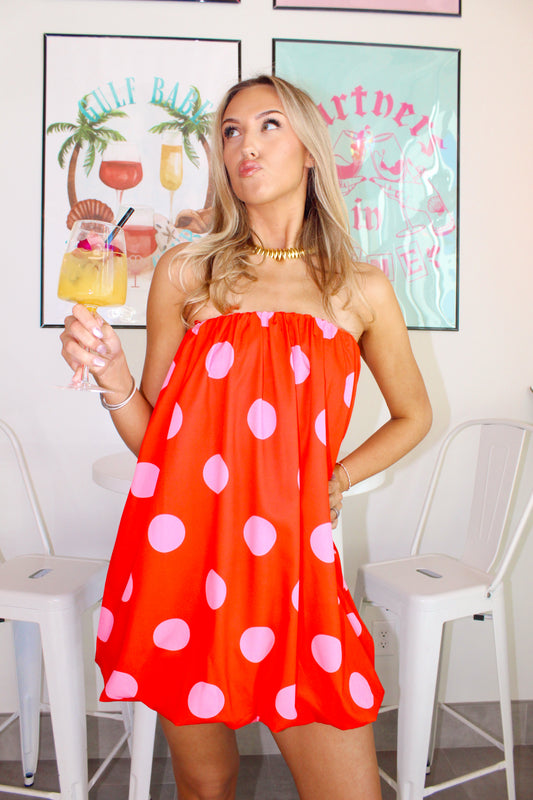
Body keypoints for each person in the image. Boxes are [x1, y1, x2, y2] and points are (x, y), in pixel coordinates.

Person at [61, 74, 432, 800]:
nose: (244, 145)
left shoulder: (360, 289)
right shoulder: (187, 272)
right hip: (185, 562)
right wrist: (112, 375)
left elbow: (412, 415)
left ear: (310, 150)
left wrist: (338, 477)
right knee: (206, 786)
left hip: (297, 571)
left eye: (268, 125)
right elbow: (156, 445)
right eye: (230, 131)